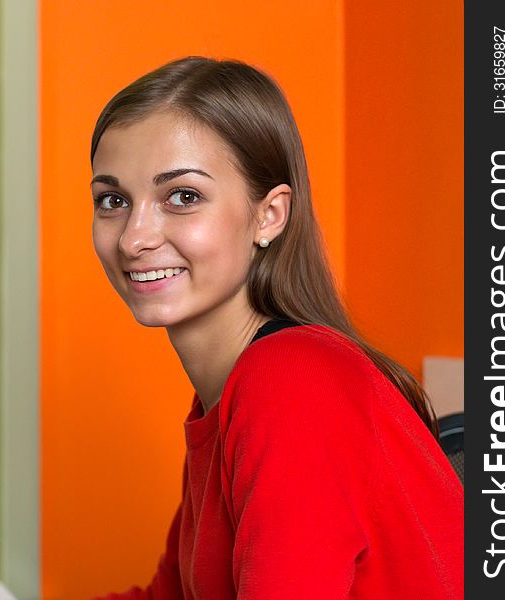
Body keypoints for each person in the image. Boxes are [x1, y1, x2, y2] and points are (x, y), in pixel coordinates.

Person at [89, 57, 462, 599]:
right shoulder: (225, 397)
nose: (133, 238)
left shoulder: (291, 381)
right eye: (113, 200)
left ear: (269, 215)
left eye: (183, 196)